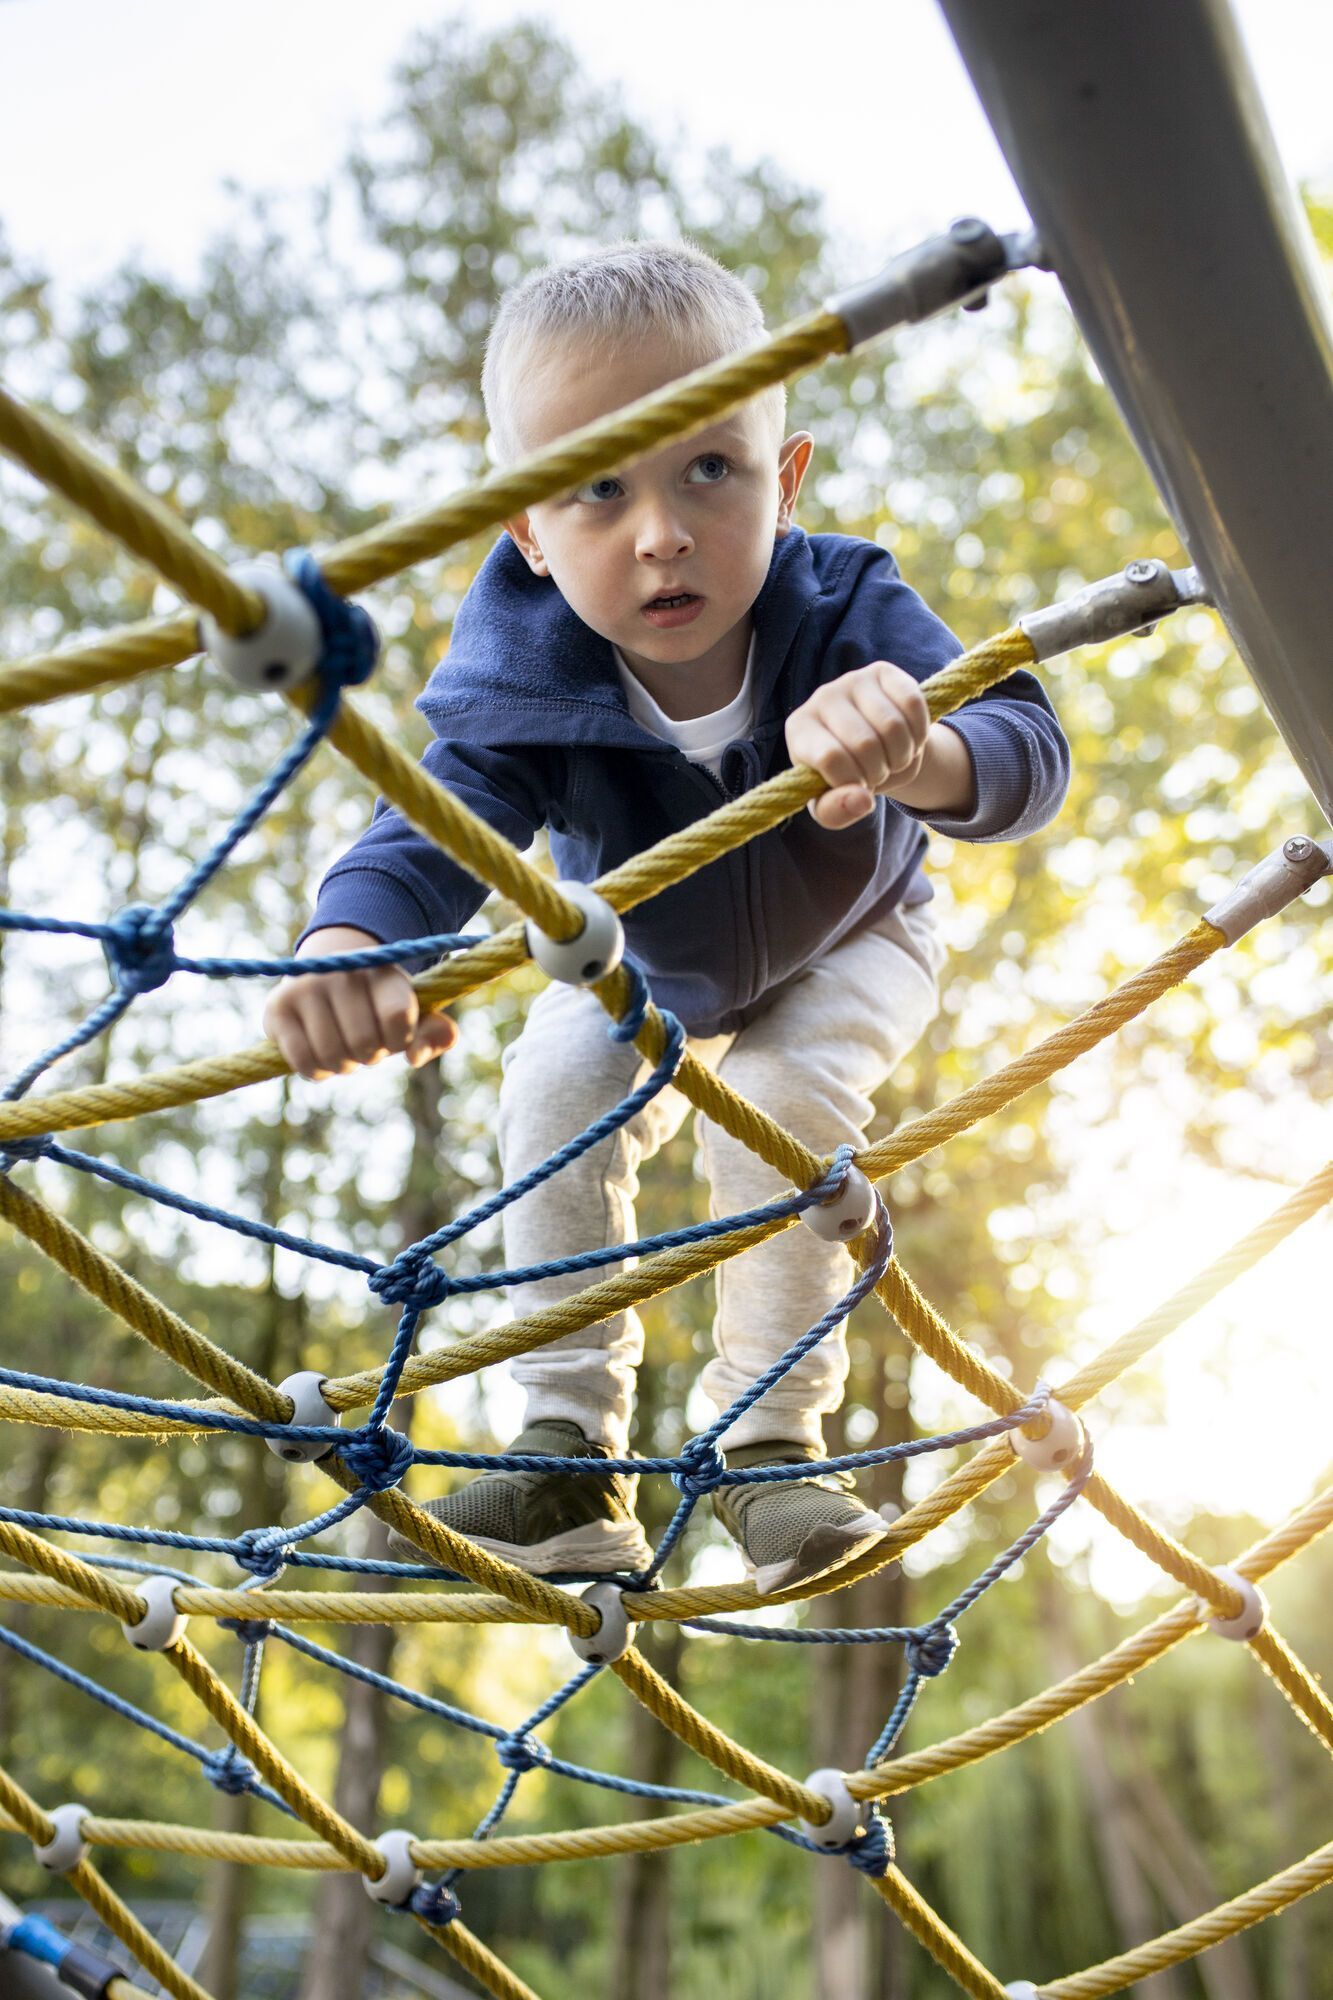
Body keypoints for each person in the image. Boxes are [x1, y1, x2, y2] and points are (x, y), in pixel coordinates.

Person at [263, 241, 1069, 1591]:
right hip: (637, 949)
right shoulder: (521, 673)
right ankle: (566, 1452)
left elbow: (1024, 749)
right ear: (524, 528)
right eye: (596, 489)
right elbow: (427, 829)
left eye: (708, 467)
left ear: (785, 476)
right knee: (554, 1082)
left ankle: (769, 1447)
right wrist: (349, 946)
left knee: (786, 1099)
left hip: (857, 929)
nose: (660, 531)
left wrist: (911, 751)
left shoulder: (845, 604)